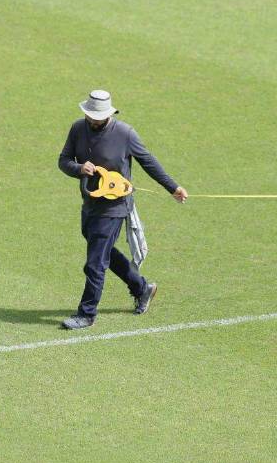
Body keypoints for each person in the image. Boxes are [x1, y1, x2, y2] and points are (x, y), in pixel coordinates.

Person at [58, 90, 188, 330]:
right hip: (90, 204)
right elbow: (63, 161)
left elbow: (148, 161)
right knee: (103, 252)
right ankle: (141, 287)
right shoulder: (78, 129)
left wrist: (173, 187)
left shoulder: (125, 134)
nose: (94, 121)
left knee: (95, 263)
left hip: (116, 207)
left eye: (98, 117)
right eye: (91, 116)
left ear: (109, 114)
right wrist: (78, 168)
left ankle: (87, 314)